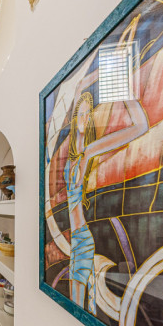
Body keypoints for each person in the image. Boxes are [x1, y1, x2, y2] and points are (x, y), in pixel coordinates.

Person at [64, 90, 150, 312]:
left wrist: (126, 92)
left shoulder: (90, 151)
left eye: (88, 114)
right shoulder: (69, 162)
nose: (85, 119)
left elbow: (140, 126)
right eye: (81, 114)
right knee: (75, 303)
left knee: (77, 305)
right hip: (75, 241)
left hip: (83, 238)